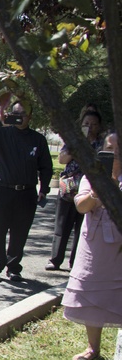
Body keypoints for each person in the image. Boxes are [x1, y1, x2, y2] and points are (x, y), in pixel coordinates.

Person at [0, 100, 53, 282]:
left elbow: (46, 166)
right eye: (16, 114)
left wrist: (44, 188)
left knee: (20, 232)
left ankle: (14, 268)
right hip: (3, 190)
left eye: (23, 114)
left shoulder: (38, 139)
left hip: (26, 193)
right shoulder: (1, 133)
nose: (20, 117)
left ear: (30, 116)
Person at [62, 133, 122, 360]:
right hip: (95, 243)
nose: (114, 153)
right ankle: (92, 348)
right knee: (91, 290)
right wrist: (99, 190)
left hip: (119, 245)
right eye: (110, 148)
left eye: (118, 149)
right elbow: (81, 206)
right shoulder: (92, 177)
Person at [47, 108, 105, 270]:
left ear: (99, 126)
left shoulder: (102, 144)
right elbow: (62, 159)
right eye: (87, 124)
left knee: (81, 228)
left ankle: (75, 262)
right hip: (69, 189)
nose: (90, 127)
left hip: (89, 190)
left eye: (94, 124)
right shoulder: (73, 141)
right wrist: (79, 144)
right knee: (62, 225)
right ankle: (55, 259)